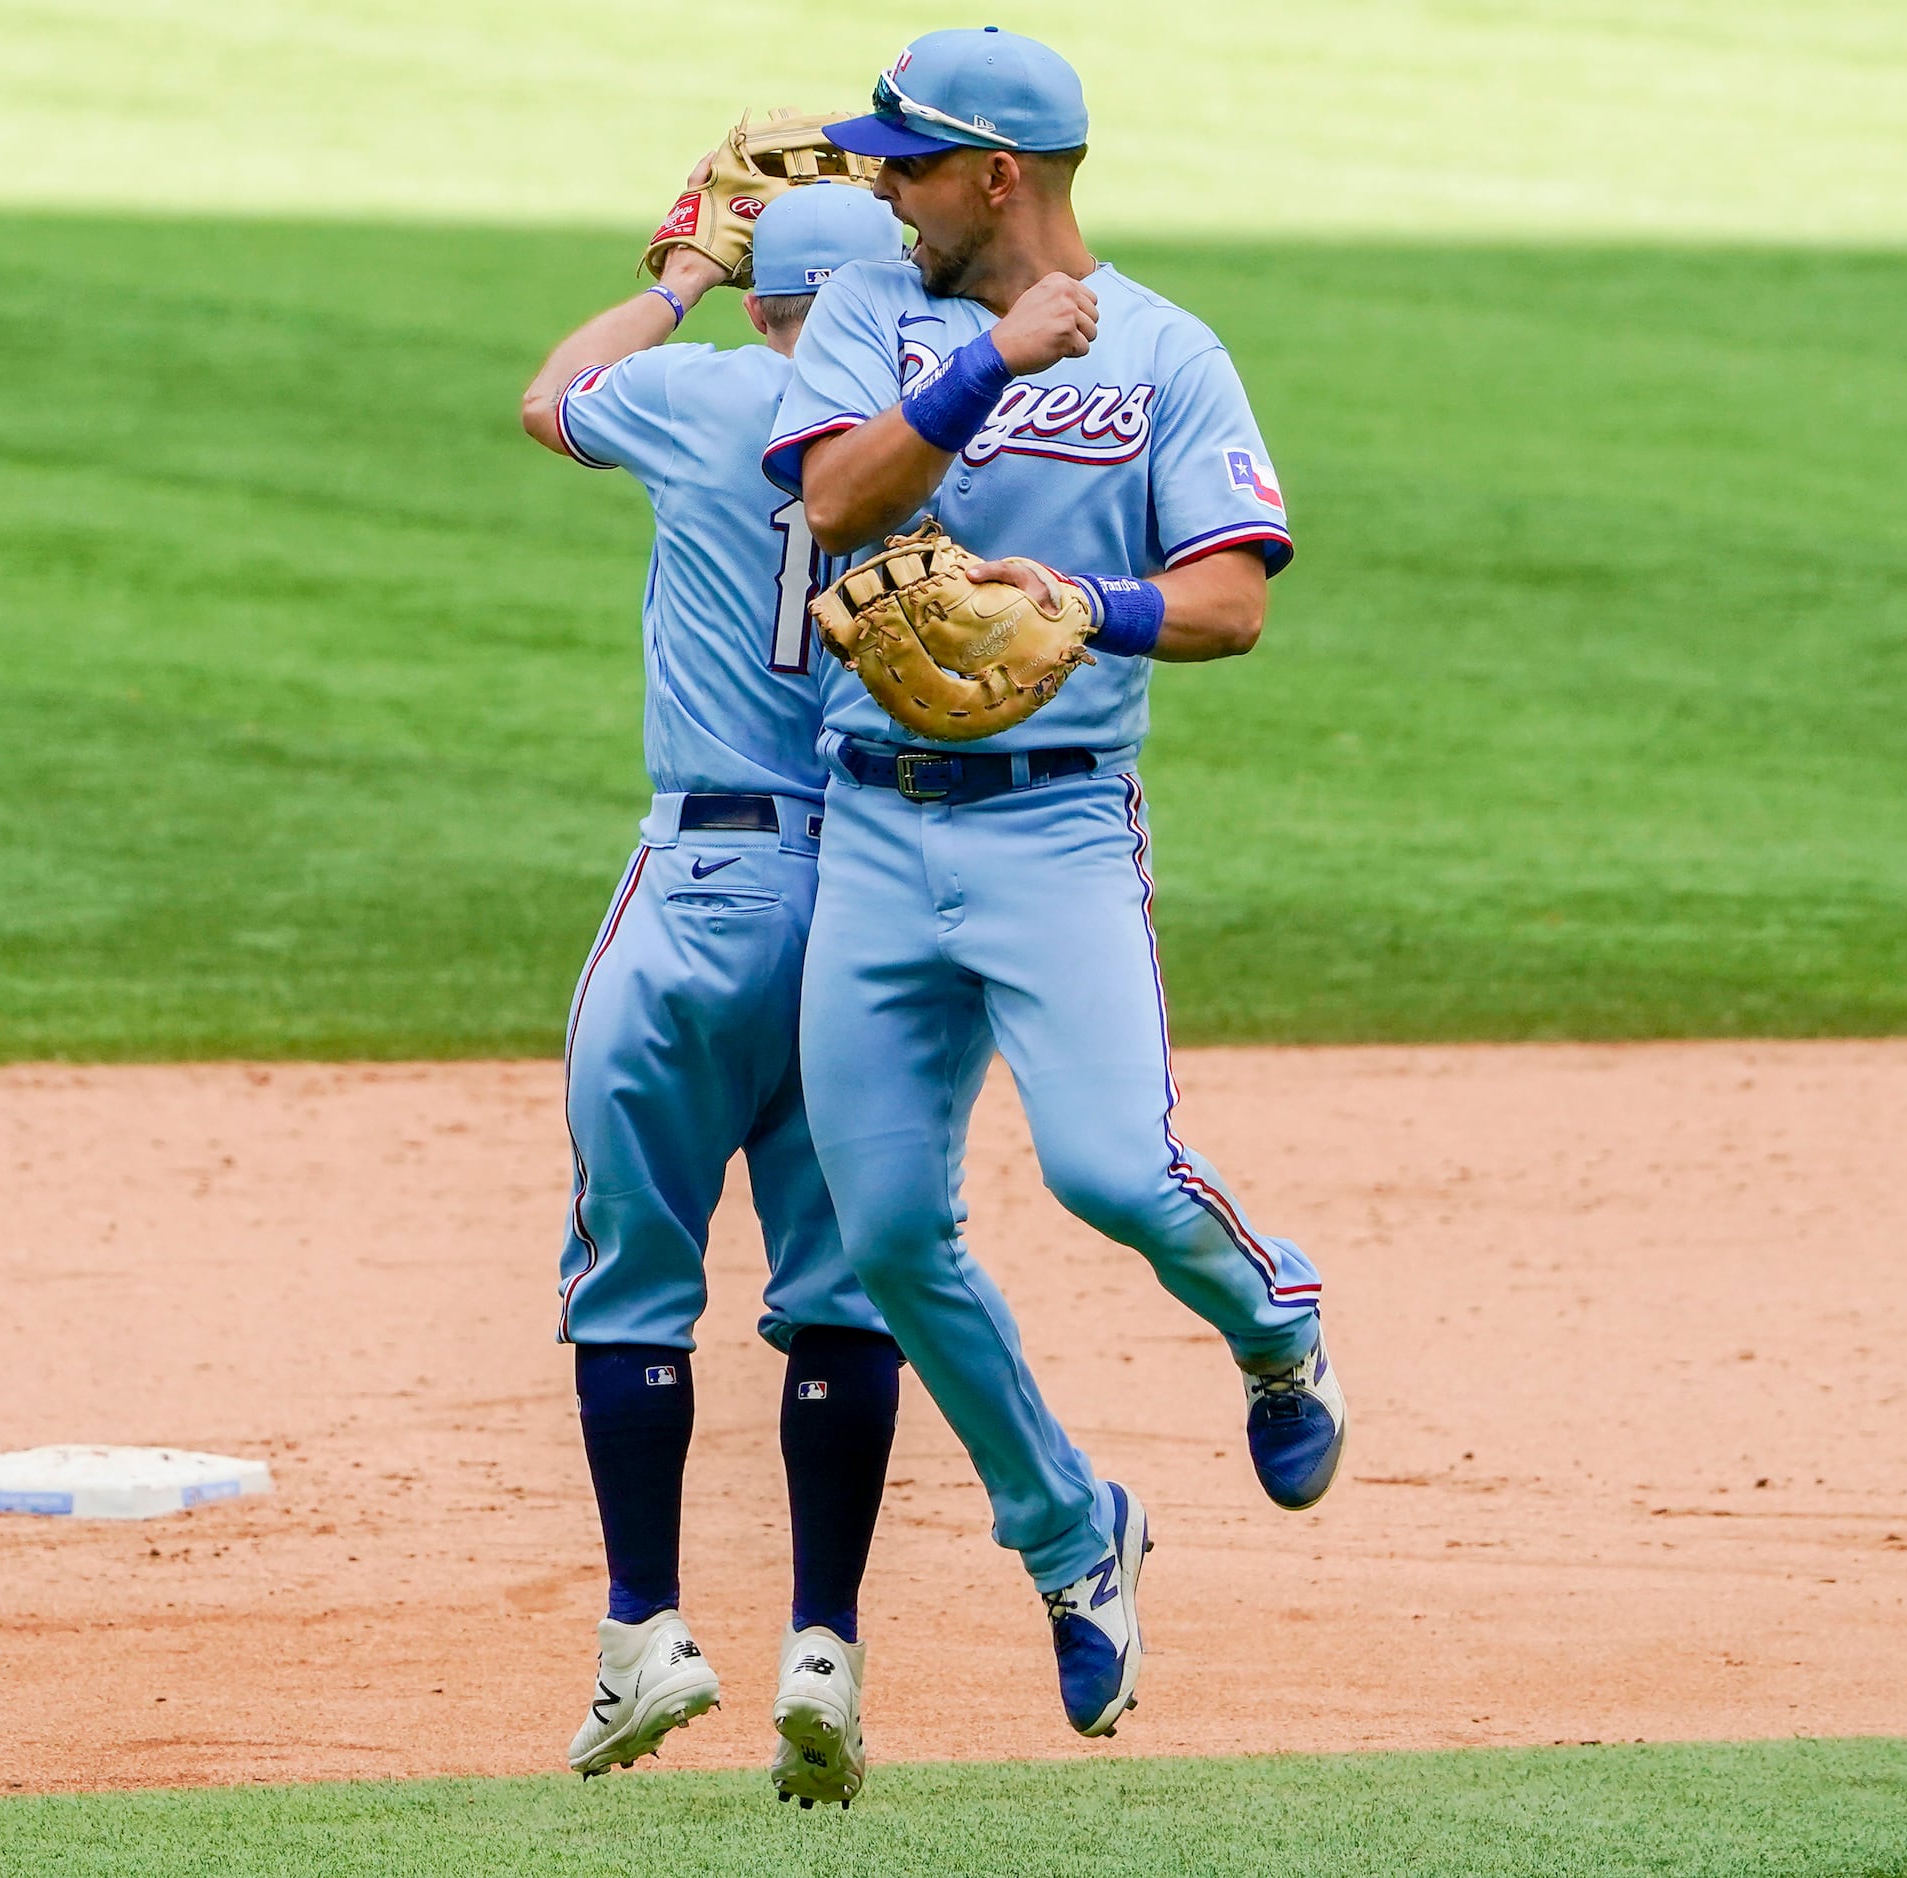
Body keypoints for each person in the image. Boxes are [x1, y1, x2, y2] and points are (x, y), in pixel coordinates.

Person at [762, 27, 1346, 1739]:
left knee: (1110, 1165)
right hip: (874, 821)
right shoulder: (881, 311)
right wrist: (989, 364)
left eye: (908, 160)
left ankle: (1277, 1315)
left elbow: (1232, 598)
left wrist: (1101, 608)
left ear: (996, 175)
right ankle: (1071, 1533)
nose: (881, 182)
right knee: (881, 1235)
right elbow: (829, 493)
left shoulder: (1172, 353)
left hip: (1059, 823)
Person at [518, 178, 911, 1806]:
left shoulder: (701, 392)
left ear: (767, 299)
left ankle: (643, 1631)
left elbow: (549, 395)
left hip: (699, 889)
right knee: (842, 1289)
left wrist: (680, 269)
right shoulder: (935, 428)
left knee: (631, 1272)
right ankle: (824, 1639)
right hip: (875, 901)